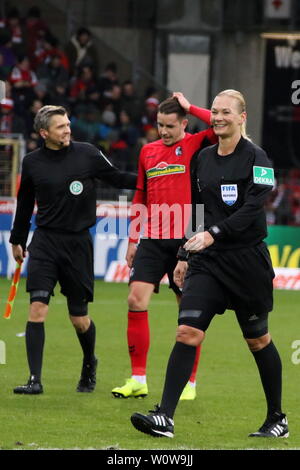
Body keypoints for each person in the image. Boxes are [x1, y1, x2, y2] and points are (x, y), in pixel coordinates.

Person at [130, 89, 288, 438]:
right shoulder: (201, 158)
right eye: (214, 111)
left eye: (225, 112)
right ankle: (165, 417)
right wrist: (186, 254)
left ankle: (277, 417)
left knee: (258, 340)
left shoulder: (258, 159)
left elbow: (252, 209)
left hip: (247, 261)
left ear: (242, 117)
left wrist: (214, 233)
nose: (217, 117)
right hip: (208, 261)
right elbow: (196, 208)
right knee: (187, 331)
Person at [9, 105, 136, 395]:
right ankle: (34, 380)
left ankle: (89, 362)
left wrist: (153, 179)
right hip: (44, 242)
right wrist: (17, 240)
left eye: (67, 124)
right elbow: (25, 201)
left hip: (77, 245)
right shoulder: (32, 162)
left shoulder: (88, 153)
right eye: (61, 126)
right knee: (37, 308)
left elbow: (116, 178)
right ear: (44, 133)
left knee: (79, 318)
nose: (67, 129)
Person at [112, 93, 216, 400]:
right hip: (153, 239)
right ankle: (138, 379)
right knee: (135, 299)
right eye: (159, 125)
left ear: (184, 123)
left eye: (170, 125)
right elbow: (140, 196)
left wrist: (191, 106)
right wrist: (133, 239)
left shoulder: (197, 144)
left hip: (188, 238)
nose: (164, 131)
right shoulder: (148, 151)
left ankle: (190, 383)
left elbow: (220, 122)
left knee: (188, 313)